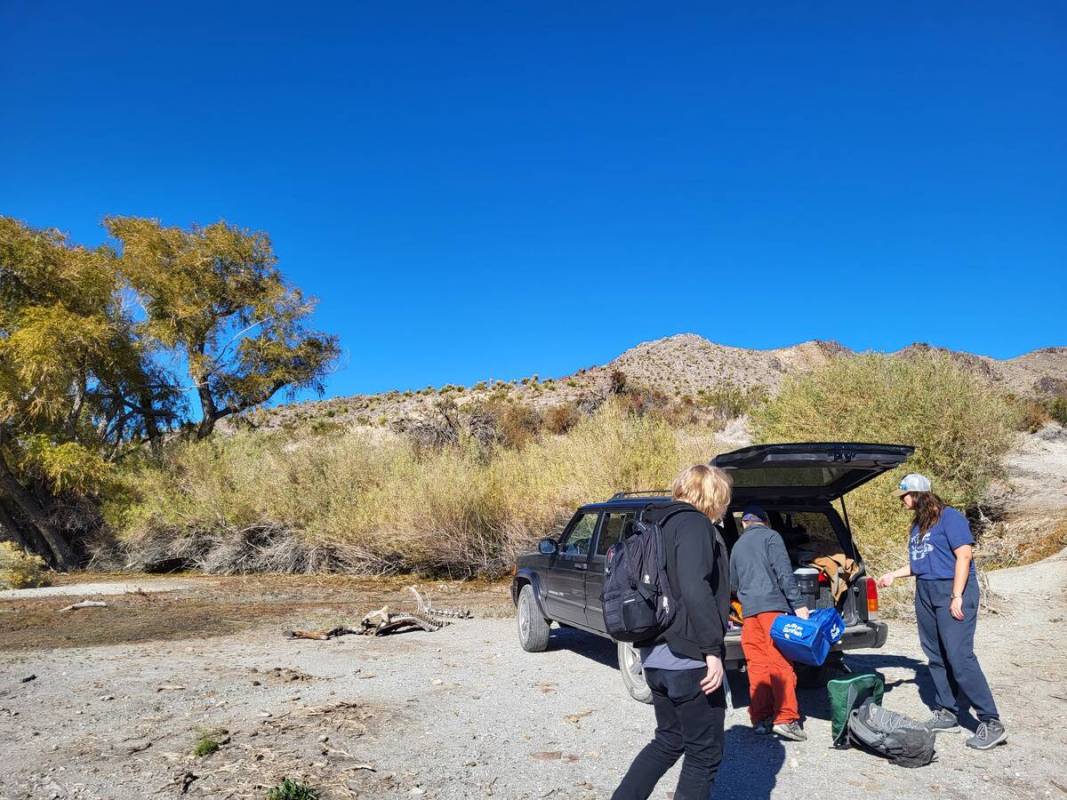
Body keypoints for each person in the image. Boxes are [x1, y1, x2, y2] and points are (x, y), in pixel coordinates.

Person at [611, 464, 733, 800]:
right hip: (688, 656)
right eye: (723, 499)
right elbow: (695, 589)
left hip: (655, 654)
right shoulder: (694, 525)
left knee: (669, 739)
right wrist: (712, 652)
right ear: (713, 496)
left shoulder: (656, 523)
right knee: (704, 753)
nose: (725, 507)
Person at [877, 473, 1007, 750]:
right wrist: (893, 575)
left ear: (919, 495)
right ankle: (947, 711)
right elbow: (920, 563)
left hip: (952, 589)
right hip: (926, 590)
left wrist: (957, 596)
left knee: (960, 656)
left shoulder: (951, 518)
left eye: (904, 496)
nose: (901, 501)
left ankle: (991, 721)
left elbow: (964, 556)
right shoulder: (919, 526)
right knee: (935, 655)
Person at [729, 504, 810, 741]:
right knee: (780, 664)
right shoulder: (772, 537)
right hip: (773, 608)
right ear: (764, 521)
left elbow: (733, 584)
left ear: (744, 523)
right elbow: (784, 572)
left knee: (756, 665)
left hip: (749, 613)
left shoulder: (737, 545)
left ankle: (760, 719)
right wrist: (798, 604)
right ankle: (785, 719)